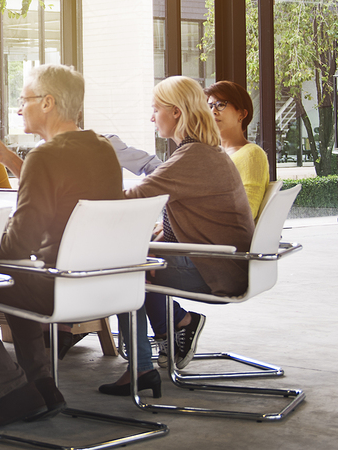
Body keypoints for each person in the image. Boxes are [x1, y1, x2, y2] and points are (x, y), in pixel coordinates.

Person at [0, 63, 124, 430]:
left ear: (47, 103)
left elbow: (18, 245)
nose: (19, 109)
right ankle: (43, 387)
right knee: (17, 277)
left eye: (24, 100)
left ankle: (14, 394)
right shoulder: (101, 148)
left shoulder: (44, 157)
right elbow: (62, 184)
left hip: (59, 287)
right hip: (104, 285)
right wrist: (10, 160)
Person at [97, 76, 255, 398]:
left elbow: (133, 197)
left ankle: (142, 367)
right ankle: (173, 329)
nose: (151, 117)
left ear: (177, 113)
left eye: (156, 109)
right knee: (138, 261)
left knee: (123, 269)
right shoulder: (202, 152)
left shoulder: (192, 157)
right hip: (224, 261)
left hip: (216, 269)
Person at [204, 80, 270, 219]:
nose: (213, 111)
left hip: (222, 237)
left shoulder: (252, 154)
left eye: (221, 104)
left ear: (242, 114)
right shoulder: (213, 154)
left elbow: (246, 211)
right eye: (209, 106)